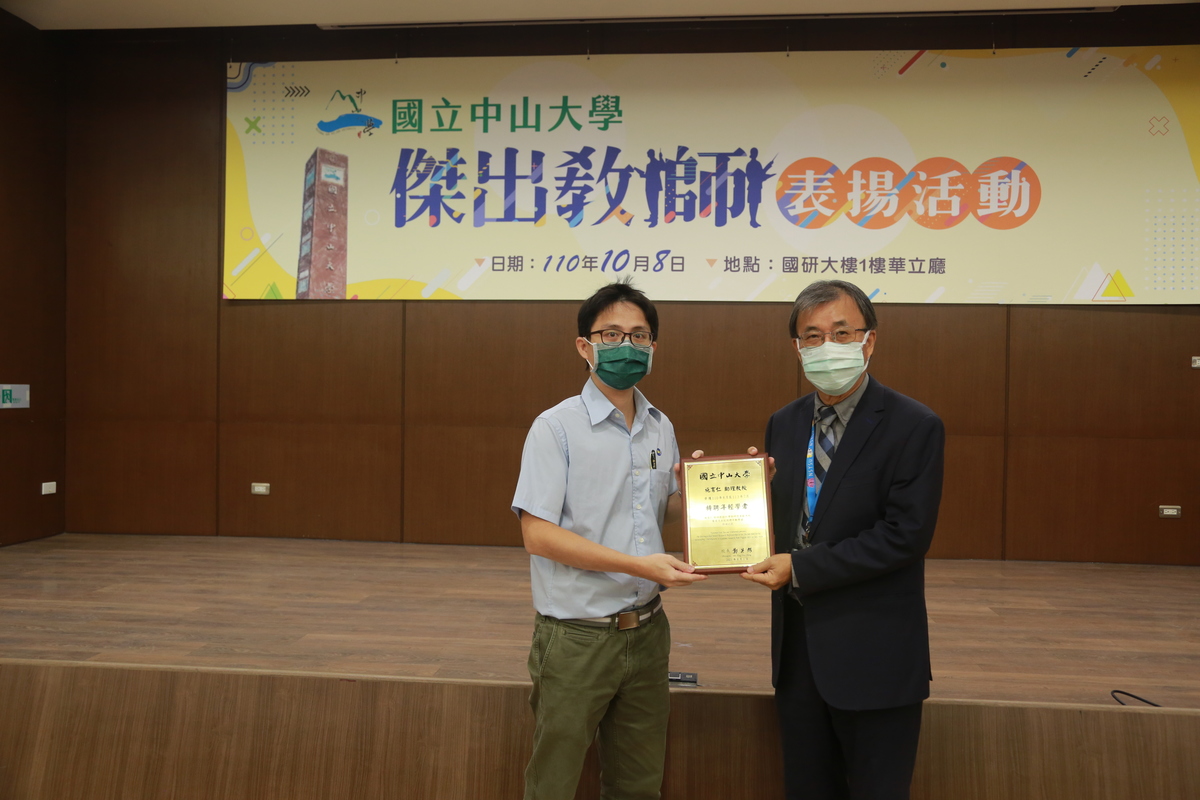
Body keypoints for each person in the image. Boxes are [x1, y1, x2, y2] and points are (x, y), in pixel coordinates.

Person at [743, 279, 945, 800]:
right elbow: (792, 521)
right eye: (812, 337)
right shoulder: (784, 424)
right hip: (798, 658)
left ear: (868, 341)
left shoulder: (914, 425)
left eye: (841, 332)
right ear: (797, 348)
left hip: (875, 656)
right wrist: (726, 495)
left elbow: (904, 536)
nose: (826, 346)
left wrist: (802, 568)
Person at [511, 278, 705, 800]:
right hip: (576, 637)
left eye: (640, 336)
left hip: (647, 632)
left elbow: (657, 505)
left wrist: (735, 492)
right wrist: (643, 566)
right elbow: (538, 535)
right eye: (612, 334)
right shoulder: (555, 428)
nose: (628, 346)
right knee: (553, 781)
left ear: (654, 347)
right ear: (585, 346)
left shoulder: (659, 427)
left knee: (638, 783)